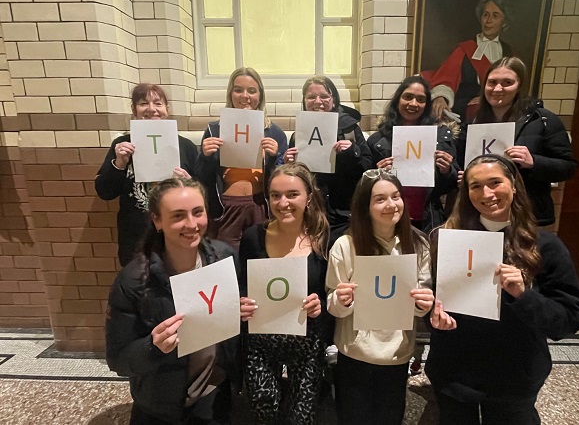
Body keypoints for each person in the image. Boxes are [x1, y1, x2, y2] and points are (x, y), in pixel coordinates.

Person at [425, 154, 579, 424]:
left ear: (513, 185)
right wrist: (431, 313)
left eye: (495, 182)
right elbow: (433, 300)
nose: (486, 193)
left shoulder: (544, 247)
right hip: (455, 372)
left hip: (513, 375)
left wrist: (525, 295)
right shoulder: (447, 241)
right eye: (475, 186)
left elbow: (569, 320)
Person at [105, 177, 239, 425]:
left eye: (197, 212)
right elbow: (118, 360)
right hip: (161, 404)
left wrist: (241, 312)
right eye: (178, 216)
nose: (191, 224)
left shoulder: (224, 257)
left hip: (214, 393)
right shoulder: (135, 281)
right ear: (157, 220)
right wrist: (152, 348)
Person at [326, 169, 434, 425]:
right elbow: (332, 302)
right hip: (356, 353)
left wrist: (423, 303)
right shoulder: (345, 245)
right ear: (365, 206)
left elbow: (421, 301)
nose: (391, 205)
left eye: (396, 196)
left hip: (396, 353)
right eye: (380, 199)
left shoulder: (418, 244)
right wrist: (342, 301)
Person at [238, 162, 330, 425]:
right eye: (275, 195)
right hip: (262, 338)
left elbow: (328, 290)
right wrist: (241, 303)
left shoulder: (323, 239)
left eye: (292, 194)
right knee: (263, 407)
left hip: (306, 338)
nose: (283, 202)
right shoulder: (252, 237)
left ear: (309, 197)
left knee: (302, 415)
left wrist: (319, 304)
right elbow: (243, 285)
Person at [458, 56, 578, 226]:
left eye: (507, 82)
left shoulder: (543, 119)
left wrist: (533, 162)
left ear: (519, 86)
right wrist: (464, 176)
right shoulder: (473, 122)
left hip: (525, 215)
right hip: (480, 214)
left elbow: (568, 167)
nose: (498, 88)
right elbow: (460, 162)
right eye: (492, 82)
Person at [95, 83, 198, 266]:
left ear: (167, 108)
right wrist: (119, 163)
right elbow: (105, 192)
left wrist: (189, 184)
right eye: (144, 103)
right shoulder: (122, 145)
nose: (152, 109)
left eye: (158, 103)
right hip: (136, 237)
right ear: (134, 109)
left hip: (176, 234)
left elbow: (201, 195)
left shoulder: (186, 146)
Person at [195, 67, 288, 249]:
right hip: (226, 209)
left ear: (260, 96)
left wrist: (272, 158)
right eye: (238, 90)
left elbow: (281, 179)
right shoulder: (215, 130)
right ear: (230, 93)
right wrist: (205, 157)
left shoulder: (274, 132)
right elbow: (201, 179)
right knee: (227, 263)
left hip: (260, 206)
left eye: (252, 91)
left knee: (258, 259)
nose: (245, 96)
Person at [367, 75, 460, 233]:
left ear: (427, 104)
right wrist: (377, 174)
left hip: (427, 219)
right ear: (398, 100)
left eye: (421, 99)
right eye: (408, 97)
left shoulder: (441, 137)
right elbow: (364, 185)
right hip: (388, 219)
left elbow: (452, 185)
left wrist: (446, 170)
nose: (413, 104)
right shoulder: (378, 140)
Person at [283, 75, 373, 234]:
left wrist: (354, 151)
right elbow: (294, 179)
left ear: (334, 99)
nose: (318, 101)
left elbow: (368, 167)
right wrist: (288, 163)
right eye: (311, 97)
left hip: (345, 215)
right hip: (310, 213)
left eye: (324, 96)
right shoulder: (298, 136)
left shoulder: (350, 129)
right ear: (304, 101)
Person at [426, 0, 513, 123]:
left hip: (497, 113)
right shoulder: (465, 48)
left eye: (495, 16)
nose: (488, 20)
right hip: (464, 112)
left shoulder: (507, 51)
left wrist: (486, 99)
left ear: (504, 22)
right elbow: (446, 78)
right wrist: (440, 97)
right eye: (485, 15)